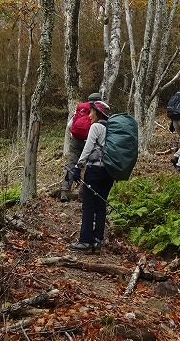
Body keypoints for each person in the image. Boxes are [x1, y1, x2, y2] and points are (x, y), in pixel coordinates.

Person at [69, 100, 113, 252]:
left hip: (95, 170)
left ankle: (85, 241)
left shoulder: (96, 127)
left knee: (88, 205)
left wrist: (78, 166)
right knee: (101, 205)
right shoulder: (112, 129)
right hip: (109, 172)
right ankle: (97, 242)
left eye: (91, 112)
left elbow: (87, 149)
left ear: (98, 113)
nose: (89, 115)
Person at [61, 91, 102, 202]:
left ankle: (64, 191)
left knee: (71, 164)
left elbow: (70, 125)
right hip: (88, 141)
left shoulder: (81, 109)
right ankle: (82, 195)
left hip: (75, 140)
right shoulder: (99, 111)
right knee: (88, 166)